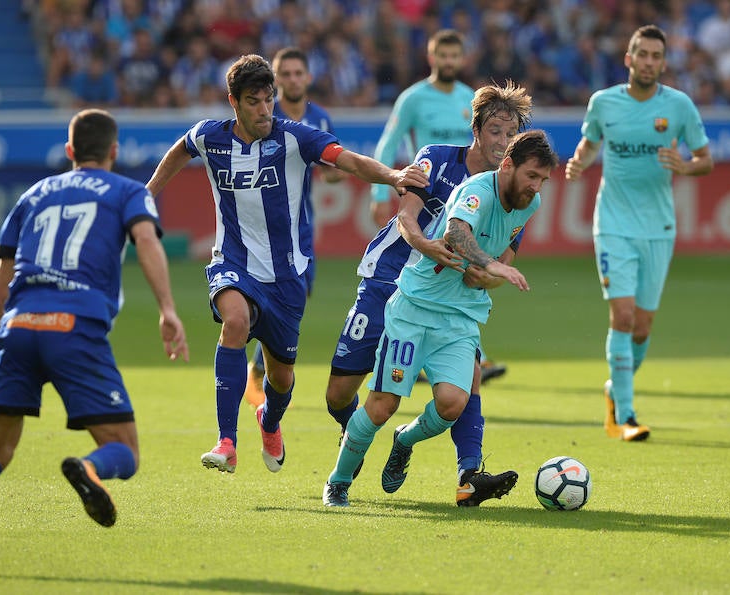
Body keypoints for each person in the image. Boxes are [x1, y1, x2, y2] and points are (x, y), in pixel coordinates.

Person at [0, 109, 189, 575]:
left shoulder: (33, 195)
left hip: (17, 327)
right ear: (114, 151)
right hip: (76, 328)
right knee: (124, 450)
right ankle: (88, 469)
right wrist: (168, 309)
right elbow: (147, 241)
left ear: (69, 152)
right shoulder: (128, 192)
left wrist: (13, 341)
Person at [145, 54, 427, 477]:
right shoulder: (210, 136)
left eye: (268, 100)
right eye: (254, 101)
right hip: (233, 262)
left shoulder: (295, 137)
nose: (264, 109)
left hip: (285, 276)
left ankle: (269, 421)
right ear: (233, 102)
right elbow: (180, 150)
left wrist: (391, 175)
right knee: (234, 321)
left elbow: (347, 159)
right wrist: (146, 196)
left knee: (280, 378)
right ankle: (227, 441)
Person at [323, 129, 558, 507]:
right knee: (381, 404)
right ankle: (338, 482)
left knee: (452, 404)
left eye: (543, 179)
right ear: (509, 165)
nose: (536, 186)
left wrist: (491, 275)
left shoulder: (530, 205)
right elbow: (456, 233)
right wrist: (490, 265)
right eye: (532, 176)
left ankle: (404, 441)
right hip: (414, 309)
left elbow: (501, 263)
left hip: (461, 317)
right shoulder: (477, 191)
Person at [565, 25, 713, 442]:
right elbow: (589, 144)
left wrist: (685, 166)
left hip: (659, 227)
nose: (648, 62)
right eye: (641, 54)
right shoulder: (604, 103)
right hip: (612, 223)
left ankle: (616, 388)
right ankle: (626, 416)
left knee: (643, 327)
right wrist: (579, 163)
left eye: (655, 56)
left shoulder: (679, 107)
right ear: (628, 59)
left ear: (663, 63)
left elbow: (705, 159)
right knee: (623, 316)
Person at [370, 28, 507, 384]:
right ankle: (413, 346)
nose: (448, 62)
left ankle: (468, 353)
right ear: (431, 58)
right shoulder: (414, 98)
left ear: (462, 59)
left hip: (468, 197)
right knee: (419, 268)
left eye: (454, 56)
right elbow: (389, 142)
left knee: (467, 270)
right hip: (429, 195)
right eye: (441, 55)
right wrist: (380, 194)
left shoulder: (470, 98)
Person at [242, 46, 347, 410]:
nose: (292, 80)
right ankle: (257, 369)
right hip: (259, 226)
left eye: (297, 73)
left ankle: (261, 366)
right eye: (284, 74)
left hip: (299, 226)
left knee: (297, 295)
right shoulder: (263, 115)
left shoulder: (320, 118)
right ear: (275, 81)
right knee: (268, 297)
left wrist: (334, 170)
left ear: (308, 77)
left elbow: (332, 170)